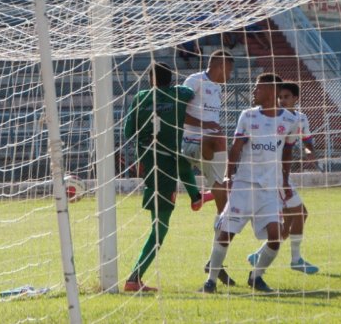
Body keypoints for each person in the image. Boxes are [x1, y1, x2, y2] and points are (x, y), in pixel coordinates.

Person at [199, 73, 298, 294]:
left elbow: (288, 150)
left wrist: (284, 179)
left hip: (269, 189)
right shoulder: (248, 116)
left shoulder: (290, 120)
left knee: (276, 236)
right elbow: (236, 148)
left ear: (271, 91)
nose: (254, 91)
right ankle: (211, 281)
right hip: (244, 185)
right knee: (226, 234)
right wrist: (228, 176)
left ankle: (256, 276)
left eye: (258, 88)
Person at [122, 62, 213, 293]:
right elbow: (191, 90)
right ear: (170, 80)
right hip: (164, 170)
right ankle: (134, 278)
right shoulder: (178, 94)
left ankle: (196, 197)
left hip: (150, 162)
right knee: (159, 229)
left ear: (150, 80)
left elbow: (128, 132)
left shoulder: (140, 97)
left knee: (182, 159)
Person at [247, 81, 319, 274]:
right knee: (299, 214)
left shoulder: (300, 118)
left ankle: (259, 255)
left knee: (294, 217)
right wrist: (284, 181)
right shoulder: (273, 117)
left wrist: (309, 152)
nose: (283, 100)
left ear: (296, 98)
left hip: (283, 174)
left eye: (287, 97)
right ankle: (295, 259)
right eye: (281, 97)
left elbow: (306, 141)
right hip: (274, 175)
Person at [181, 50, 235, 286]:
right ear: (220, 66)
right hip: (190, 144)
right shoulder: (195, 81)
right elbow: (179, 112)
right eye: (229, 70)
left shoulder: (218, 88)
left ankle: (215, 262)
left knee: (225, 206)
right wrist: (206, 125)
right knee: (221, 138)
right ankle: (201, 195)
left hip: (208, 147)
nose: (230, 75)